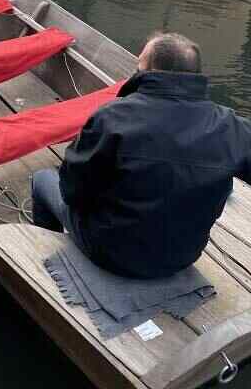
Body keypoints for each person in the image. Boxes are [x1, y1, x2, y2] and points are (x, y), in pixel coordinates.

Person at [31, 32, 251, 279]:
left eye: (138, 66)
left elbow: (71, 191)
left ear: (149, 71)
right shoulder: (234, 127)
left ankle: (50, 263)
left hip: (111, 253)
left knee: (42, 180)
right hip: (183, 256)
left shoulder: (112, 118)